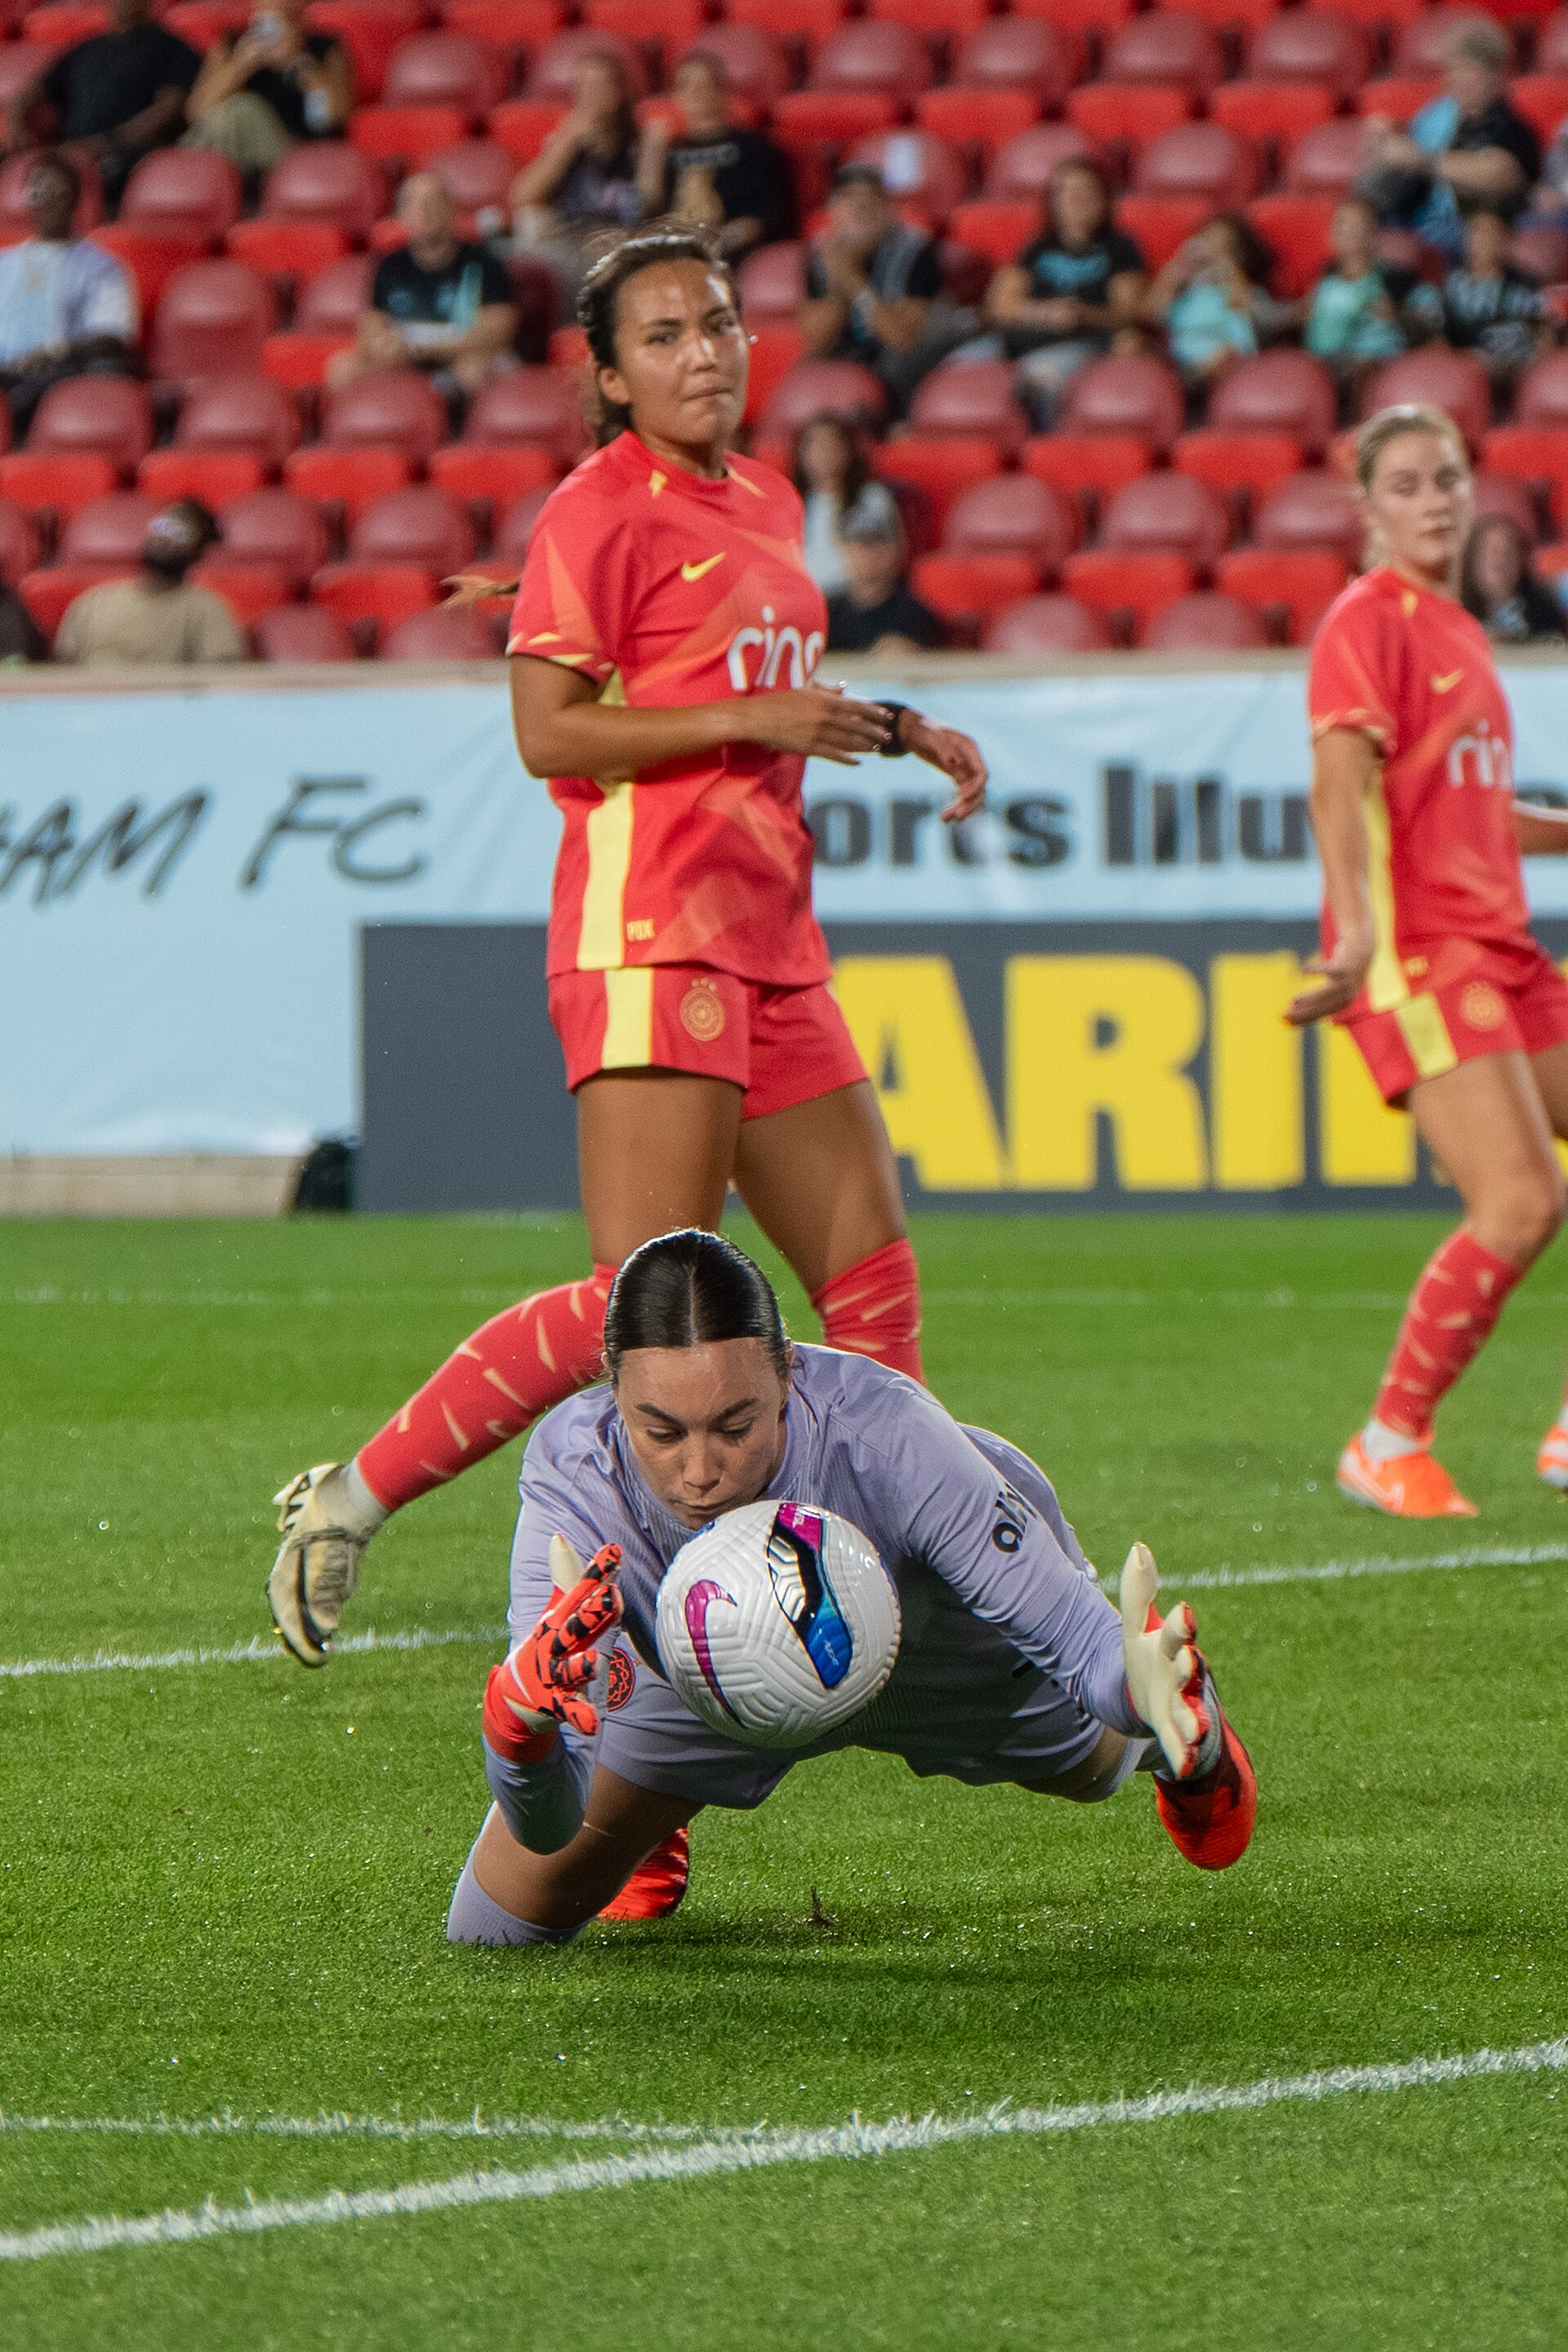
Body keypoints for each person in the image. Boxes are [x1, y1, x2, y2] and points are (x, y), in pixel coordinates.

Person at [265, 227, 987, 1922]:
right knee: (634, 1319)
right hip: (647, 932)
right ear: (606, 367)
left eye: (719, 323)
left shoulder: (762, 504)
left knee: (871, 1297)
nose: (703, 352)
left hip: (774, 942)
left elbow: (750, 687)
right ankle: (367, 1505)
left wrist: (881, 726)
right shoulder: (596, 507)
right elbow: (553, 734)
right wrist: (760, 726)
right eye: (663, 335)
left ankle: (816, 1623)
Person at [443, 1229, 1258, 1947]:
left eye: (736, 1425)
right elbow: (545, 1817)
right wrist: (520, 1736)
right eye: (662, 1432)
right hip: (695, 1684)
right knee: (495, 1925)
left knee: (1090, 1768)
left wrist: (1135, 1684)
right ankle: (661, 1815)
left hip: (931, 1642)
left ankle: (1192, 1736)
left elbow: (1082, 1645)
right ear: (612, 1394)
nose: (699, 1472)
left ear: (790, 1374)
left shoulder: (891, 1438)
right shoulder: (575, 1481)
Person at [1287, 403, 1568, 1517]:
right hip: (1423, 954)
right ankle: (1389, 1438)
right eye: (1406, 484)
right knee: (1519, 1202)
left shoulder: (1460, 628)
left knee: (1527, 1199)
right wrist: (1354, 930)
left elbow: (1476, 808)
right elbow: (1338, 786)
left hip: (1502, 948)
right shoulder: (1367, 619)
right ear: (1368, 507)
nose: (1435, 500)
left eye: (1447, 478)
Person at [1358, 20, 1539, 265]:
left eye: (1468, 69)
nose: (1457, 79)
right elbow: (1403, 150)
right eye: (1453, 69)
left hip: (1474, 247)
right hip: (1417, 232)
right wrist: (1384, 139)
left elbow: (1502, 172)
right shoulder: (1438, 118)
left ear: (1495, 75)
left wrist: (1422, 160)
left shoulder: (1512, 129)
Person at [982, 158, 1147, 424]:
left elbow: (1128, 312)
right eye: (1066, 191)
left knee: (1039, 378)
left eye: (1085, 191)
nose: (1075, 199)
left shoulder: (1121, 248)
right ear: (1053, 201)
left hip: (1083, 341)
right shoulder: (1036, 247)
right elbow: (999, 306)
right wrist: (1043, 313)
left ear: (1104, 200)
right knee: (959, 366)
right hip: (1025, 336)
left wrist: (1083, 314)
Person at [800, 164, 965, 419]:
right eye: (849, 200)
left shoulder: (917, 251)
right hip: (851, 355)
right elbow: (818, 338)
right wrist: (836, 283)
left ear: (889, 210)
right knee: (808, 370)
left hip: (905, 360)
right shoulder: (821, 255)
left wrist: (854, 282)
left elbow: (901, 337)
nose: (860, 210)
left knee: (895, 366)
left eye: (870, 201)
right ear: (833, 211)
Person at [331, 172, 517, 397]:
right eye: (415, 204)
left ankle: (465, 432)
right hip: (405, 360)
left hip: (458, 358)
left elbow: (499, 330)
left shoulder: (483, 262)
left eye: (433, 201)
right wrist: (383, 346)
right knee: (343, 367)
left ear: (450, 208)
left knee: (473, 370)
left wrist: (425, 349)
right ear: (403, 216)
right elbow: (370, 329)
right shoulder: (390, 265)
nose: (425, 211)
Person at [5, 0, 201, 207]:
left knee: (108, 168)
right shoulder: (85, 48)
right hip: (70, 147)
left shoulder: (172, 47)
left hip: (128, 150)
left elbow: (170, 107)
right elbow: (30, 94)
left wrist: (111, 140)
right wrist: (17, 128)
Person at [0, 151, 137, 439]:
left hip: (58, 378)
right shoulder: (4, 263)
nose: (48, 200)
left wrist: (55, 353)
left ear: (74, 200)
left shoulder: (102, 268)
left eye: (57, 192)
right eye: (39, 192)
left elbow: (111, 339)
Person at [509, 50, 652, 305]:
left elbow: (647, 204)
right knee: (523, 235)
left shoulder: (641, 144)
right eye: (583, 87)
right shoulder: (566, 143)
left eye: (599, 86)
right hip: (568, 244)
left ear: (620, 92)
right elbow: (521, 197)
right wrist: (567, 142)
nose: (590, 95)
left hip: (617, 244)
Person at [639, 51, 793, 264]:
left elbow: (763, 219)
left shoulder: (753, 147)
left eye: (706, 84)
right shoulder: (663, 150)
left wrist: (718, 241)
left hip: (726, 250)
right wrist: (651, 155)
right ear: (675, 96)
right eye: (687, 85)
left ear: (723, 91)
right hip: (668, 248)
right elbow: (644, 210)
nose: (696, 92)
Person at [54, 497, 245, 665]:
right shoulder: (93, 602)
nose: (166, 538)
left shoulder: (208, 610)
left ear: (199, 552)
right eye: (161, 526)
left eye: (180, 533)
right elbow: (62, 675)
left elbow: (219, 687)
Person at [182, 0, 351, 180]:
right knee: (234, 111)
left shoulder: (324, 48)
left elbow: (333, 117)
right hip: (228, 149)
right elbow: (197, 112)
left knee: (242, 109)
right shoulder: (231, 44)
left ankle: (188, 178)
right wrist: (242, 65)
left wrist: (297, 60)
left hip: (289, 149)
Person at [1404, 207, 1552, 383]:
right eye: (1476, 232)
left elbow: (1535, 342)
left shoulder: (1525, 291)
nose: (1482, 240)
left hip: (1504, 377)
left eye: (1491, 233)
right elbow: (1427, 332)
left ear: (1507, 242)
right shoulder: (1443, 286)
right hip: (1453, 374)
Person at [1143, 212, 1286, 386]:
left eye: (1216, 241)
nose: (1204, 246)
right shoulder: (1183, 292)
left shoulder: (1246, 291)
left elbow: (1256, 320)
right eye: (1204, 237)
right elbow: (1149, 317)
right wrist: (1172, 276)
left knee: (1223, 357)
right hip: (1178, 361)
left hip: (1225, 363)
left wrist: (1231, 276)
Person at [792, 411, 902, 595]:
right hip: (804, 602)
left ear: (847, 449)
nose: (824, 451)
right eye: (815, 443)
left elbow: (892, 554)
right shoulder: (791, 503)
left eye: (831, 442)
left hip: (855, 600)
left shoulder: (872, 498)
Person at [1303, 196, 1410, 378]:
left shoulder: (1396, 282)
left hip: (1375, 375)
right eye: (1341, 223)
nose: (1346, 231)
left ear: (1374, 236)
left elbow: (1429, 324)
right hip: (1322, 374)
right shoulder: (1323, 284)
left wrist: (1400, 316)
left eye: (1357, 225)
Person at [825, 502, 945, 655]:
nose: (865, 553)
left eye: (875, 542)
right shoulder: (829, 611)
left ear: (895, 548)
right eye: (856, 543)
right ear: (843, 548)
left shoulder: (914, 614)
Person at [1460, 511, 1567, 644]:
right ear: (1473, 560)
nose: (1500, 559)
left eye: (1508, 551)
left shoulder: (1543, 607)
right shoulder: (1457, 610)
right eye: (1492, 551)